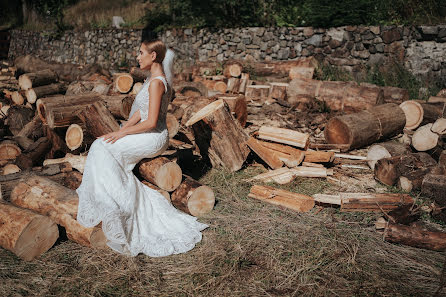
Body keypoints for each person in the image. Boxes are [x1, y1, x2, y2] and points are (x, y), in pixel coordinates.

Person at [75, 39, 208, 257]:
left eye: (141, 53)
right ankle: (108, 197)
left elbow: (152, 121)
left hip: (153, 137)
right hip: (144, 132)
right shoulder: (150, 80)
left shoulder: (157, 83)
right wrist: (121, 128)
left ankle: (120, 207)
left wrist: (121, 133)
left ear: (153, 56)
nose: (138, 57)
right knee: (102, 144)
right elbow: (140, 113)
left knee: (102, 148)